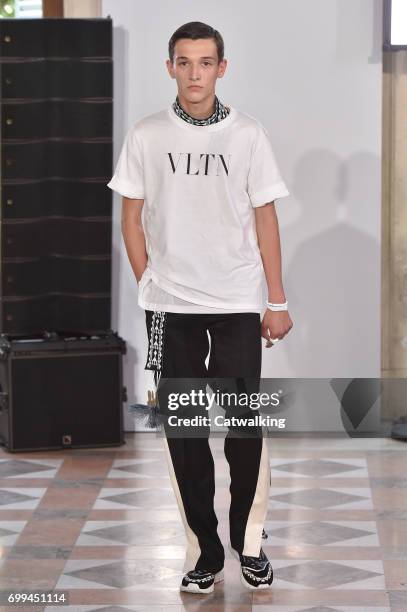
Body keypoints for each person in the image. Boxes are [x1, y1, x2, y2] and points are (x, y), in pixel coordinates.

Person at [107, 21, 293, 594]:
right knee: (185, 432)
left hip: (237, 300)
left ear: (222, 67)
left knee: (243, 427)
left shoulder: (248, 135)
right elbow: (131, 219)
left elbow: (265, 217)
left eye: (205, 62)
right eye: (184, 62)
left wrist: (277, 299)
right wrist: (149, 287)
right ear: (170, 68)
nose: (194, 73)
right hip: (170, 307)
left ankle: (250, 545)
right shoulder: (145, 134)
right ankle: (204, 552)